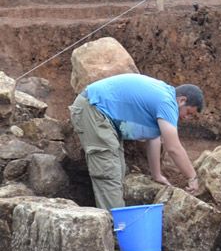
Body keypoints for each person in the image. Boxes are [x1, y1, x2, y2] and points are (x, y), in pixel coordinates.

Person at [69, 73, 204, 210]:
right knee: (109, 173)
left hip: (102, 114)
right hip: (93, 108)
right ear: (182, 100)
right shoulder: (167, 102)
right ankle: (115, 226)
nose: (186, 118)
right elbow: (174, 148)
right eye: (188, 112)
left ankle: (115, 221)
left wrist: (156, 174)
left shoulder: (163, 97)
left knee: (118, 170)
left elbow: (154, 138)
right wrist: (192, 177)